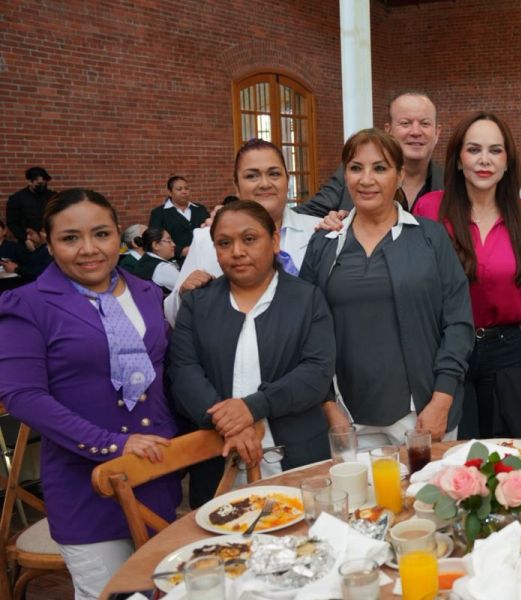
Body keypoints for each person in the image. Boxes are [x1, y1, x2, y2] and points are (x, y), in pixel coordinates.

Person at [0, 189, 181, 599]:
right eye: (69, 238)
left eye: (101, 234)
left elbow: (166, 375)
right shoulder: (26, 304)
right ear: (47, 241)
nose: (88, 250)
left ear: (119, 235)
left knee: (168, 591)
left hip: (155, 476)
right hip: (85, 487)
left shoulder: (149, 293)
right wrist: (111, 444)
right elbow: (23, 396)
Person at [302, 129, 474, 444]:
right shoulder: (323, 243)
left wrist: (442, 399)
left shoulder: (430, 238)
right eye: (356, 168)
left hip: (423, 415)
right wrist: (328, 406)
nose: (366, 179)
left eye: (379, 168)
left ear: (398, 176)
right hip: (349, 419)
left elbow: (458, 322)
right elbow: (305, 333)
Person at [413, 113, 521, 439]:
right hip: (447, 351)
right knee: (454, 453)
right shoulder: (429, 210)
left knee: (505, 453)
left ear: (507, 161)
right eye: (474, 149)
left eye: (495, 150)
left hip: (506, 351)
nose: (485, 160)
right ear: (457, 160)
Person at [170, 201, 335, 501]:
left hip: (297, 462)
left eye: (249, 239)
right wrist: (230, 424)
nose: (237, 252)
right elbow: (183, 373)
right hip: (218, 460)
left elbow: (316, 374)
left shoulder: (307, 299)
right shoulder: (197, 304)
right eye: (224, 243)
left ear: (274, 241)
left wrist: (253, 407)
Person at [163, 139, 323, 325]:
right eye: (252, 176)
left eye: (274, 174)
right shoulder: (206, 239)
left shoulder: (319, 231)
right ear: (236, 186)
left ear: (287, 179)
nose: (264, 183)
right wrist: (183, 294)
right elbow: (172, 316)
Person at [297, 92, 444, 216]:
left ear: (437, 132)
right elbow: (301, 216)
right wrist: (330, 221)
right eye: (405, 123)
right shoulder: (355, 172)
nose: (416, 132)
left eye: (425, 124)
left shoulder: (451, 183)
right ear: (389, 130)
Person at [148, 175, 208, 261]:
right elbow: (155, 239)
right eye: (179, 189)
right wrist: (181, 251)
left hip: (203, 258)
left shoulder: (200, 209)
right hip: (176, 261)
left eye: (186, 188)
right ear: (169, 192)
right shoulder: (159, 213)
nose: (184, 192)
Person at [5, 166, 54, 246]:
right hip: (28, 241)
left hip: (49, 239)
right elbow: (12, 222)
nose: (42, 186)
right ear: (29, 182)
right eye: (39, 184)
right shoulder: (16, 198)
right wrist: (25, 238)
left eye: (44, 183)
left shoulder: (52, 196)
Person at [134, 227, 180, 293]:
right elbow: (185, 286)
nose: (174, 244)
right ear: (155, 245)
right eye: (169, 241)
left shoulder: (144, 261)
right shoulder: (163, 268)